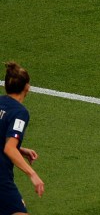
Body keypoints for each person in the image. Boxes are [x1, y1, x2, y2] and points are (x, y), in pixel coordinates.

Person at [1, 62, 44, 215]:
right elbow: (9, 148)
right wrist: (33, 175)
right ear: (27, 87)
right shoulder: (20, 112)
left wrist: (20, 149)